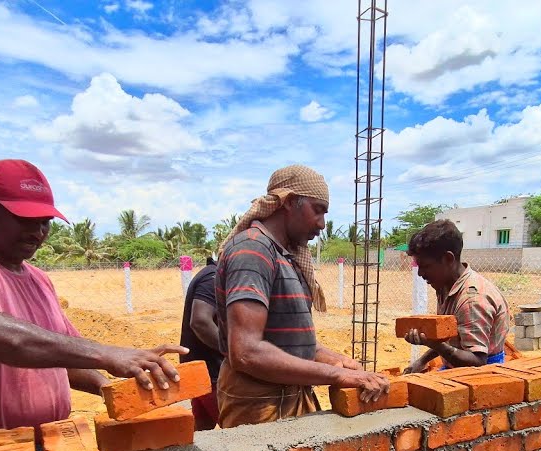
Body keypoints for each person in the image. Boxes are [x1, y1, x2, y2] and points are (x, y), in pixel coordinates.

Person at [0, 158, 185, 436]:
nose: (38, 232)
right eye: (24, 219)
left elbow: (64, 356)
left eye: (45, 222)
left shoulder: (38, 279)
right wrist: (106, 354)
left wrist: (107, 388)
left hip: (48, 447)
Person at [215, 164, 389, 428]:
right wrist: (336, 376)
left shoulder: (286, 255)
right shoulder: (253, 251)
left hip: (288, 397)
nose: (321, 224)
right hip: (259, 407)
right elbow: (246, 352)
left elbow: (290, 342)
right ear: (290, 203)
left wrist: (338, 362)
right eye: (317, 210)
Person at [403, 219, 510, 372]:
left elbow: (478, 361)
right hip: (456, 366)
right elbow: (451, 336)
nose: (420, 273)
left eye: (426, 266)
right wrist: (421, 361)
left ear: (448, 259)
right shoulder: (445, 285)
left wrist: (434, 344)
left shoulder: (472, 301)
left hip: (483, 374)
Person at [179, 257, 223, 430]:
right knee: (241, 434)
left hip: (201, 372)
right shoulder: (213, 277)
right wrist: (233, 351)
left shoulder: (210, 274)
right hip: (212, 374)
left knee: (202, 432)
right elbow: (199, 322)